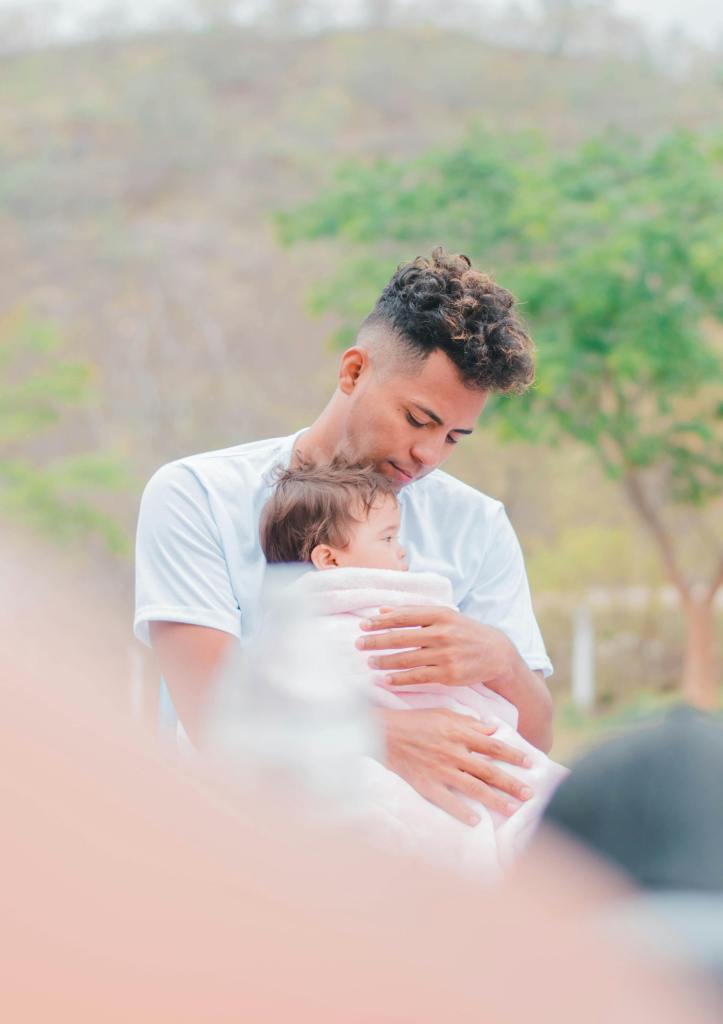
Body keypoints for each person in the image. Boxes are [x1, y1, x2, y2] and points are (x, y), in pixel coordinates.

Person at [135, 247, 554, 825]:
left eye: (455, 437)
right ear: (354, 371)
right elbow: (210, 712)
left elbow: (528, 746)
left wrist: (504, 661)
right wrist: (384, 734)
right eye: (418, 420)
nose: (428, 455)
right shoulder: (198, 495)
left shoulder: (477, 526)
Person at [259, 459, 568, 872]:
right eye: (387, 538)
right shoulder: (330, 632)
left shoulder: (434, 611)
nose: (402, 549)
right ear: (330, 561)